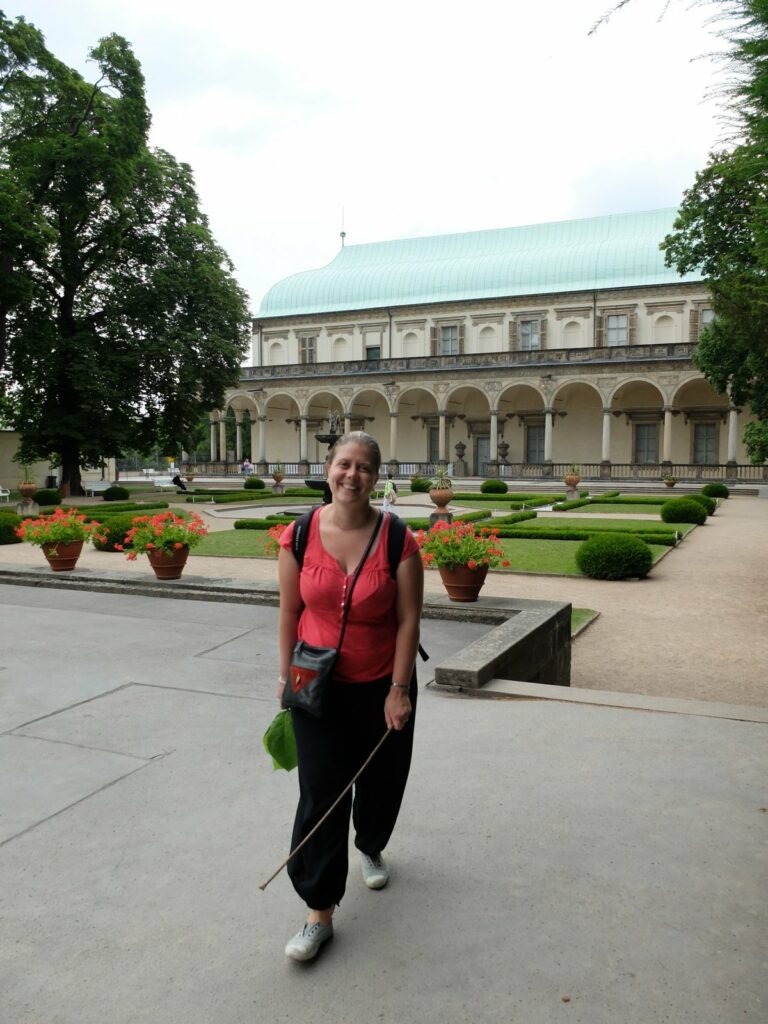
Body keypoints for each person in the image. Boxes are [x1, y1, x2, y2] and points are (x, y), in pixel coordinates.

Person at [276, 430, 423, 963]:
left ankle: (371, 843)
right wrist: (283, 677)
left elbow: (409, 619)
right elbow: (290, 613)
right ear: (329, 467)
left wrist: (399, 690)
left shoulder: (396, 539)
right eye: (344, 464)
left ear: (376, 476)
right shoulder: (298, 535)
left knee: (380, 783)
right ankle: (319, 911)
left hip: (383, 685)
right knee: (320, 793)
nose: (352, 475)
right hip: (316, 686)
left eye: (364, 467)